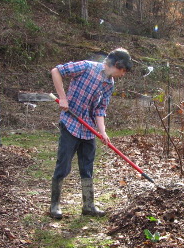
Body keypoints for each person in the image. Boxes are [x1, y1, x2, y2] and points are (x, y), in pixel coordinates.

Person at [49, 48, 133, 219]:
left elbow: (101, 109)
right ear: (117, 65)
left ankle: (88, 205)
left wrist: (102, 132)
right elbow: (56, 71)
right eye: (123, 71)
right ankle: (54, 205)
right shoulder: (86, 67)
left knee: (87, 169)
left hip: (88, 130)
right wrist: (63, 97)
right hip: (71, 124)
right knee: (63, 166)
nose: (123, 75)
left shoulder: (109, 84)